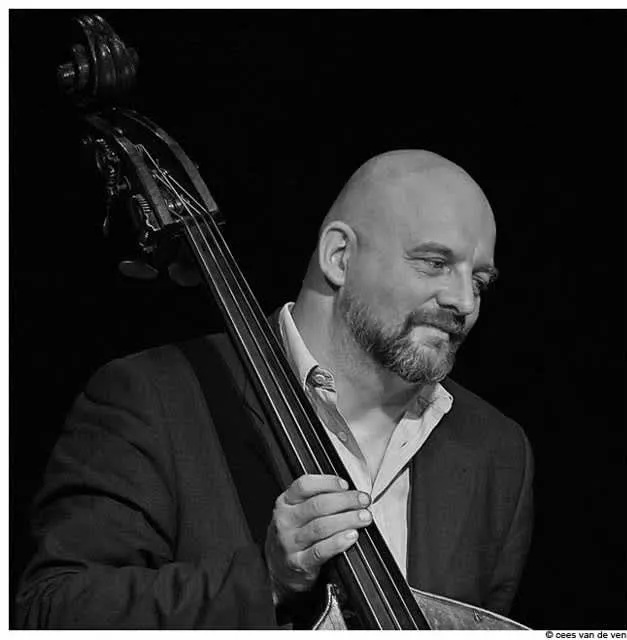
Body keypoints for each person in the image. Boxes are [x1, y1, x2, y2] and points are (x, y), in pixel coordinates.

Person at [15, 149, 533, 629]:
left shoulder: (497, 451)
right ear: (339, 256)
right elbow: (51, 610)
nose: (465, 301)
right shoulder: (150, 397)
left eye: (480, 281)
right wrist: (265, 580)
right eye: (435, 263)